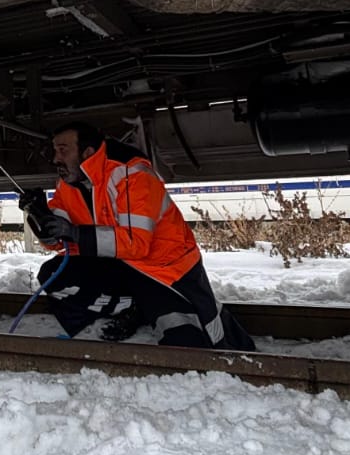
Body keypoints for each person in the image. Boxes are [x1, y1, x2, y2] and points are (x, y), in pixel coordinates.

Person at [19, 122, 254, 350]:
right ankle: (131, 309)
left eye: (63, 150)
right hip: (121, 265)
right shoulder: (68, 184)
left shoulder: (131, 173)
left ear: (87, 152)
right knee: (53, 276)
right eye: (55, 150)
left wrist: (76, 233)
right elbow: (62, 241)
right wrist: (40, 218)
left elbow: (136, 244)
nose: (55, 158)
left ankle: (146, 308)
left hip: (162, 270)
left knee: (187, 343)